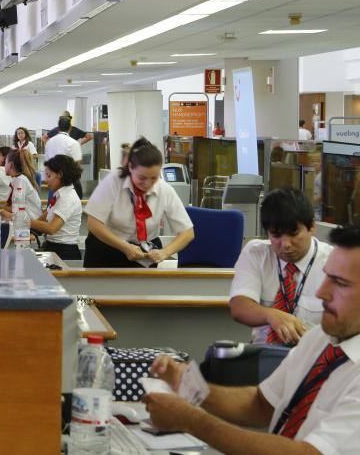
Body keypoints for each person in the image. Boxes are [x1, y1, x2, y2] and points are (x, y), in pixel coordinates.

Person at [144, 225, 360, 455]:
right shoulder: (321, 337)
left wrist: (190, 420)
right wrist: (186, 384)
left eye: (340, 283)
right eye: (327, 276)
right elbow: (260, 404)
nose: (321, 292)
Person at [229, 188, 332, 345]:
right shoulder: (256, 253)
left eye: (293, 234)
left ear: (311, 227)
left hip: (316, 357)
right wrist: (271, 315)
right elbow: (239, 306)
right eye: (276, 235)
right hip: (265, 353)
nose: (285, 245)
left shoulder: (333, 262)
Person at [84, 137, 194, 267]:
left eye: (153, 178)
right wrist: (125, 247)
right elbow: (93, 223)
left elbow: (187, 232)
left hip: (144, 252)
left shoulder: (164, 189)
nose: (147, 183)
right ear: (130, 167)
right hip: (107, 247)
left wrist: (164, 252)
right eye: (142, 177)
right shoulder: (113, 182)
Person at [29, 155, 83, 260]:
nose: (46, 180)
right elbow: (43, 218)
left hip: (64, 252)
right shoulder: (58, 194)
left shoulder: (68, 197)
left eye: (49, 176)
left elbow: (51, 228)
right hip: (53, 247)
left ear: (60, 174)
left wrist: (24, 220)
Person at [44, 116, 83, 198]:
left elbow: (46, 163)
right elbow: (77, 164)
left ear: (58, 127)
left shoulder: (49, 142)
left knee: (52, 206)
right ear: (70, 128)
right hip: (67, 182)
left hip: (53, 180)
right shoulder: (73, 143)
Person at [0, 149, 41, 220]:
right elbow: (15, 208)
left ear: (10, 165)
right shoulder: (19, 179)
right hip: (27, 221)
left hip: (31, 225)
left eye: (5, 162)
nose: (4, 165)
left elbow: (18, 213)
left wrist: (1, 211)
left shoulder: (21, 181)